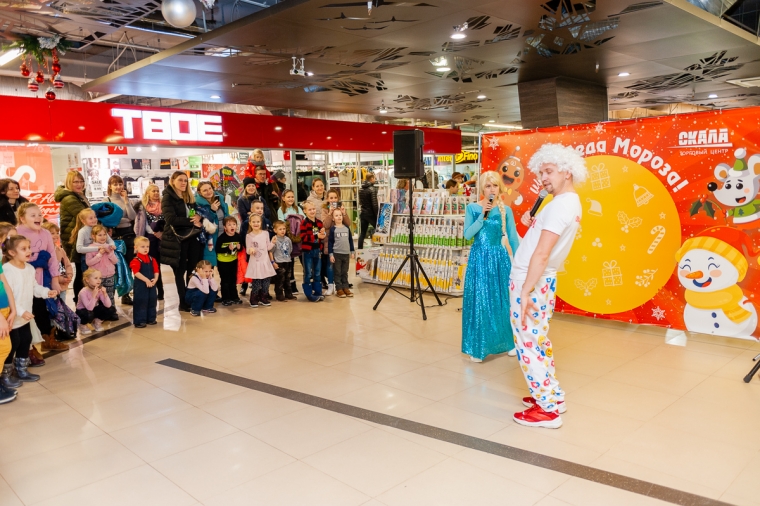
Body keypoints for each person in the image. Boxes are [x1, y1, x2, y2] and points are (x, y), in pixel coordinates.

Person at [510, 143, 586, 429]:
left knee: (528, 343)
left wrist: (525, 291)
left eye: (549, 171)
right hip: (541, 279)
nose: (543, 178)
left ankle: (547, 410)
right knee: (537, 338)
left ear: (567, 172)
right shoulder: (567, 203)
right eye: (541, 172)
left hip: (531, 280)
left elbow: (541, 254)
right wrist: (535, 222)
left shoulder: (560, 206)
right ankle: (552, 395)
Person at [462, 171, 520, 363]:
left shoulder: (506, 210)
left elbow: (513, 238)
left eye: (495, 185)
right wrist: (482, 217)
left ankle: (508, 343)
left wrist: (519, 263)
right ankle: (479, 347)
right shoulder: (472, 208)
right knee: (481, 301)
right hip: (479, 260)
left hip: (499, 260)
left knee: (502, 300)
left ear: (499, 188)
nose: (492, 189)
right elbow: (467, 235)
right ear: (482, 189)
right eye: (488, 186)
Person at [3, 235, 57, 383]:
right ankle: (6, 375)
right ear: (12, 252)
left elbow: (34, 287)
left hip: (25, 317)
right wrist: (21, 311)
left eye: (29, 247)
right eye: (24, 249)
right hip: (12, 317)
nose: (29, 251)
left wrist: (46, 292)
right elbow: (8, 295)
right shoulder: (7, 270)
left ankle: (22, 370)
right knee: (12, 344)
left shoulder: (29, 268)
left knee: (26, 340)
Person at [16, 202, 61, 349]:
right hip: (21, 280)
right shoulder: (15, 233)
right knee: (24, 311)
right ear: (22, 218)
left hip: (41, 280)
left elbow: (52, 257)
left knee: (41, 309)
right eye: (33, 215)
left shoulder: (45, 233)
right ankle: (28, 348)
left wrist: (55, 279)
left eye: (40, 215)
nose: (38, 217)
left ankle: (47, 339)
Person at [161, 171, 203, 313]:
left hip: (191, 236)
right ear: (173, 181)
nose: (183, 183)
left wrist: (198, 218)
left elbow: (195, 213)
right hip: (176, 239)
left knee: (192, 269)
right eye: (180, 180)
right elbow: (170, 219)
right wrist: (191, 222)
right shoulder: (167, 197)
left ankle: (190, 298)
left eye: (185, 180)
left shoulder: (188, 196)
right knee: (180, 271)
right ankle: (183, 301)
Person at [55, 171, 89, 303]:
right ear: (69, 182)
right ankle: (80, 302)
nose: (79, 184)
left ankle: (82, 301)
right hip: (74, 239)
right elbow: (85, 216)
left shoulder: (78, 195)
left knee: (83, 271)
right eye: (75, 182)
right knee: (81, 272)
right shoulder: (70, 198)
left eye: (81, 181)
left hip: (77, 237)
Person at [104, 175, 137, 305]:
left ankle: (126, 294)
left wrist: (126, 201)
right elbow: (111, 221)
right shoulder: (107, 200)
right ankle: (111, 295)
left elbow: (132, 216)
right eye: (115, 184)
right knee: (116, 266)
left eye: (120, 184)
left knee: (128, 266)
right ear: (110, 186)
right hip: (115, 237)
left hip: (129, 235)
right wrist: (125, 219)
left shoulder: (126, 199)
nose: (118, 187)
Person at [133, 184, 165, 300]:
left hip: (164, 238)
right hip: (149, 239)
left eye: (157, 190)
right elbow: (141, 223)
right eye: (153, 191)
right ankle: (156, 289)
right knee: (152, 265)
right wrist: (154, 232)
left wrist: (162, 232)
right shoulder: (142, 206)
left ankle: (160, 290)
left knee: (160, 264)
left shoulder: (164, 205)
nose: (156, 193)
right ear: (148, 193)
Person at [194, 180, 229, 267]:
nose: (209, 191)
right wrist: (212, 210)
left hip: (223, 234)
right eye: (205, 190)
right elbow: (204, 221)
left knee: (224, 264)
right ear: (199, 192)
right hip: (208, 238)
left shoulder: (220, 199)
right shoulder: (197, 204)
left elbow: (226, 216)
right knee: (209, 265)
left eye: (210, 188)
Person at [245, 214, 276, 308]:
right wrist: (250, 250)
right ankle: (254, 298)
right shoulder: (249, 236)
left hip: (265, 262)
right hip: (256, 263)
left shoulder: (265, 233)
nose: (256, 223)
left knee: (266, 282)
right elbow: (248, 249)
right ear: (250, 223)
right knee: (257, 282)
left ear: (261, 223)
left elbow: (268, 247)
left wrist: (272, 243)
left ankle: (263, 297)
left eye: (258, 222)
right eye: (253, 222)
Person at [85, 225, 119, 309]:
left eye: (104, 234)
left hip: (109, 276)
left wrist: (109, 253)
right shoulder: (90, 248)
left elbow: (115, 261)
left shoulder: (109, 246)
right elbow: (89, 262)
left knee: (109, 295)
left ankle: (111, 311)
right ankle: (97, 313)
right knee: (96, 296)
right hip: (96, 277)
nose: (103, 237)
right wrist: (99, 254)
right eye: (100, 235)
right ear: (93, 236)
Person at [320, 189, 346, 295]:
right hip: (329, 241)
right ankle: (330, 285)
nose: (333, 200)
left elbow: (347, 224)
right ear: (327, 199)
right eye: (331, 198)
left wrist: (344, 213)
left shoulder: (341, 208)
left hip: (341, 241)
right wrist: (330, 214)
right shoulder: (324, 209)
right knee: (330, 264)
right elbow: (325, 225)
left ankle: (341, 285)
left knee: (341, 265)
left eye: (335, 197)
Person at [76, 268, 117, 335]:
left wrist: (105, 294)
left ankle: (96, 322)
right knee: (88, 314)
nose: (99, 280)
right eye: (96, 278)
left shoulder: (98, 290)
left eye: (100, 278)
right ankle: (82, 325)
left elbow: (108, 305)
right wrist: (94, 296)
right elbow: (89, 308)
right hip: (83, 312)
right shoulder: (83, 292)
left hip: (92, 309)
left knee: (111, 309)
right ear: (87, 280)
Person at [130, 237, 159, 328]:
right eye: (142, 247)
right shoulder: (136, 260)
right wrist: (146, 280)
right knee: (141, 301)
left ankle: (151, 318)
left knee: (152, 300)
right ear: (136, 248)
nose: (145, 248)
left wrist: (155, 279)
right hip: (141, 285)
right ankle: (140, 321)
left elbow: (156, 270)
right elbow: (136, 273)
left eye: (147, 246)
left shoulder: (152, 259)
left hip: (152, 284)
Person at [300, 201, 325, 302]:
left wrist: (322, 235)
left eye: (313, 209)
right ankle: (309, 293)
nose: (312, 211)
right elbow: (303, 237)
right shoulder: (304, 223)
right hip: (307, 251)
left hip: (317, 250)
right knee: (308, 273)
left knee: (317, 272)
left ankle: (318, 292)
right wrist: (316, 236)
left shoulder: (319, 222)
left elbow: (321, 237)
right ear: (305, 211)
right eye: (309, 209)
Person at [42, 222, 73, 304]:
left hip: (63, 286)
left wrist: (69, 276)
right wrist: (60, 279)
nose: (56, 235)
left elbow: (67, 265)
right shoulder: (44, 252)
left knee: (62, 307)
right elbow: (47, 270)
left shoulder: (60, 250)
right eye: (52, 233)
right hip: (50, 288)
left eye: (57, 233)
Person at [215, 216, 244, 306]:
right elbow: (217, 249)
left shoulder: (238, 236)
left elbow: (240, 248)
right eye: (229, 225)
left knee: (233, 279)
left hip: (233, 261)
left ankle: (234, 297)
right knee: (225, 280)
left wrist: (239, 248)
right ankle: (225, 298)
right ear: (225, 227)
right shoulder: (222, 237)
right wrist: (228, 248)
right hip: (223, 262)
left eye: (234, 224)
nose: (232, 226)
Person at [328, 207, 355, 298]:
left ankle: (345, 287)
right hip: (337, 254)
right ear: (333, 218)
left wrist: (352, 251)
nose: (339, 217)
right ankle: (339, 289)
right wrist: (331, 254)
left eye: (340, 215)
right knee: (337, 272)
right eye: (336, 215)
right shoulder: (333, 229)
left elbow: (350, 240)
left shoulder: (347, 228)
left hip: (346, 254)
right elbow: (330, 242)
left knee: (345, 272)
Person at [0, 247, 16, 402]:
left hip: (4, 310)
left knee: (4, 347)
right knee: (3, 348)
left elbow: (4, 282)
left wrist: (13, 309)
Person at [271, 220, 294, 302]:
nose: (282, 231)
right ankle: (279, 294)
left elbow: (290, 249)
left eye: (284, 229)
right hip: (279, 262)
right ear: (275, 230)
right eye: (280, 229)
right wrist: (273, 262)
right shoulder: (274, 240)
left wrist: (287, 257)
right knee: (280, 279)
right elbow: (271, 251)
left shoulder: (288, 239)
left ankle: (288, 293)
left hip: (287, 261)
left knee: (287, 278)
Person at [358, 173, 378, 250]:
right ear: (371, 179)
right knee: (379, 231)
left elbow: (360, 202)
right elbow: (374, 204)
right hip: (371, 214)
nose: (375, 180)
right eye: (374, 178)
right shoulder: (372, 189)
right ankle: (381, 247)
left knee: (363, 233)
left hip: (363, 213)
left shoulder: (361, 189)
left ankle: (359, 250)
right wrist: (377, 215)